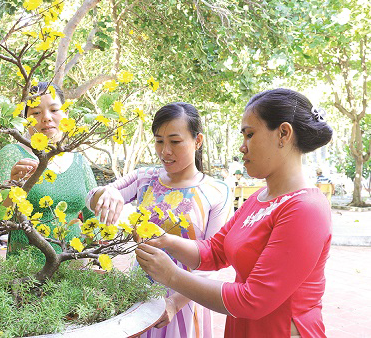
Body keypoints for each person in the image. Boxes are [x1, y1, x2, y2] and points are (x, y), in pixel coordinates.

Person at [135, 88, 333, 337]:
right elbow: (214, 252)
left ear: (283, 133)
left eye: (250, 134)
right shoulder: (257, 200)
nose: (242, 147)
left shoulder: (306, 209)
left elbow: (253, 300)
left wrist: (172, 276)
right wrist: (163, 239)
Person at [86, 102, 232, 338]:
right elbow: (92, 196)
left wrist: (174, 303)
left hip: (187, 300)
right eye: (159, 140)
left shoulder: (217, 192)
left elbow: (214, 261)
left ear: (198, 141)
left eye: (175, 141)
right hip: (138, 295)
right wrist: (107, 193)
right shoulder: (145, 178)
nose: (165, 151)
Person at [0, 82, 97, 262]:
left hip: (75, 270)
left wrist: (90, 250)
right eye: (36, 113)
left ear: (66, 114)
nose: (46, 118)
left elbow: (93, 215)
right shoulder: (11, 155)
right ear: (25, 119)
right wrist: (11, 186)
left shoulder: (79, 160)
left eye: (54, 110)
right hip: (27, 274)